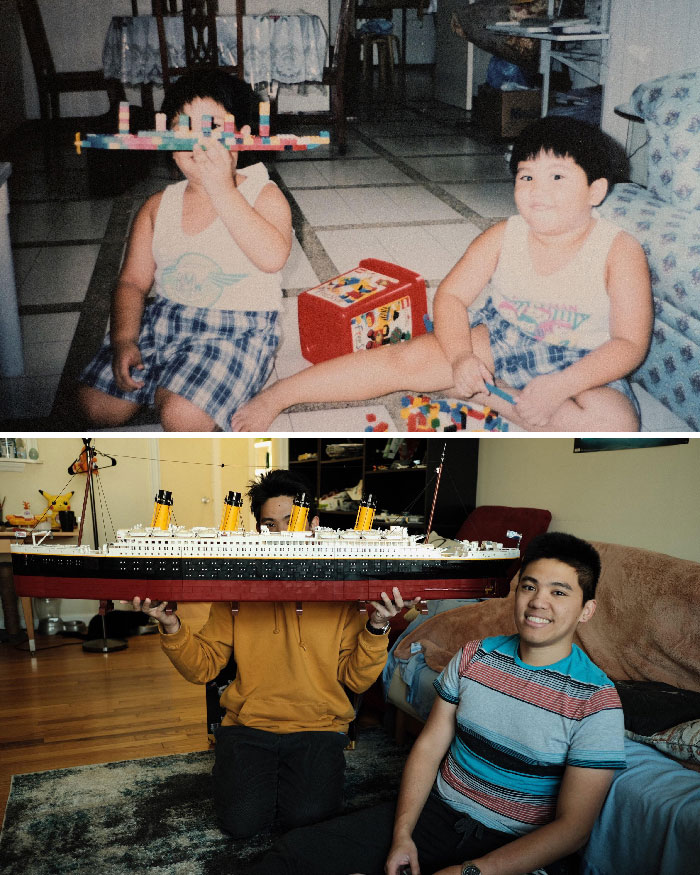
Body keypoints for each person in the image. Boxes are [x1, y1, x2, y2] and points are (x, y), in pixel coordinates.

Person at [231, 117, 652, 433]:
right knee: (403, 358)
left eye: (557, 177)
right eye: (526, 176)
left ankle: (488, 394)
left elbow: (630, 343)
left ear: (596, 190)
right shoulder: (504, 235)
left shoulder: (619, 249)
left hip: (583, 360)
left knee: (615, 425)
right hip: (503, 339)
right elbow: (450, 297)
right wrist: (461, 357)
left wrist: (561, 385)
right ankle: (280, 394)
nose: (537, 190)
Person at [247, 531, 626, 875]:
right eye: (529, 587)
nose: (538, 602)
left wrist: (472, 872)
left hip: (515, 847)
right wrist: (402, 836)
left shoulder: (597, 702)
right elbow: (429, 749)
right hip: (437, 814)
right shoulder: (473, 657)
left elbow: (572, 830)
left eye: (559, 592)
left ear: (586, 609)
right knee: (295, 854)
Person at [132, 468, 415, 839]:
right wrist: (171, 626)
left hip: (319, 726)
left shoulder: (346, 594)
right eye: (270, 524)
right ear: (258, 531)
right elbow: (204, 667)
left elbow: (357, 679)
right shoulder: (235, 592)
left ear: (313, 523)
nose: (283, 534)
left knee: (309, 821)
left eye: (291, 521)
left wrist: (377, 627)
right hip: (249, 725)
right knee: (241, 823)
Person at [78, 69, 293, 431]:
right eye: (184, 126)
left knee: (181, 416)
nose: (198, 140)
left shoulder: (263, 195)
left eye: (212, 127)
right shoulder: (157, 206)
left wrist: (223, 190)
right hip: (165, 322)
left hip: (238, 330)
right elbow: (131, 282)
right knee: (95, 406)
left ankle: (182, 389)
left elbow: (272, 257)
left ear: (242, 137)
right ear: (165, 138)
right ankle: (170, 383)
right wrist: (125, 338)